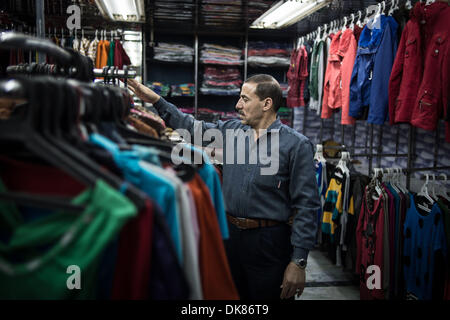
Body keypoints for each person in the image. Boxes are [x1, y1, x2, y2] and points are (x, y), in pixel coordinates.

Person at [127, 74, 320, 300]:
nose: (238, 105)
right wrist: (155, 100)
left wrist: (298, 261)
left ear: (267, 104)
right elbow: (191, 127)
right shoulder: (231, 132)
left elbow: (307, 206)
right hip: (231, 237)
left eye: (245, 99)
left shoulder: (296, 145)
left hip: (269, 243)